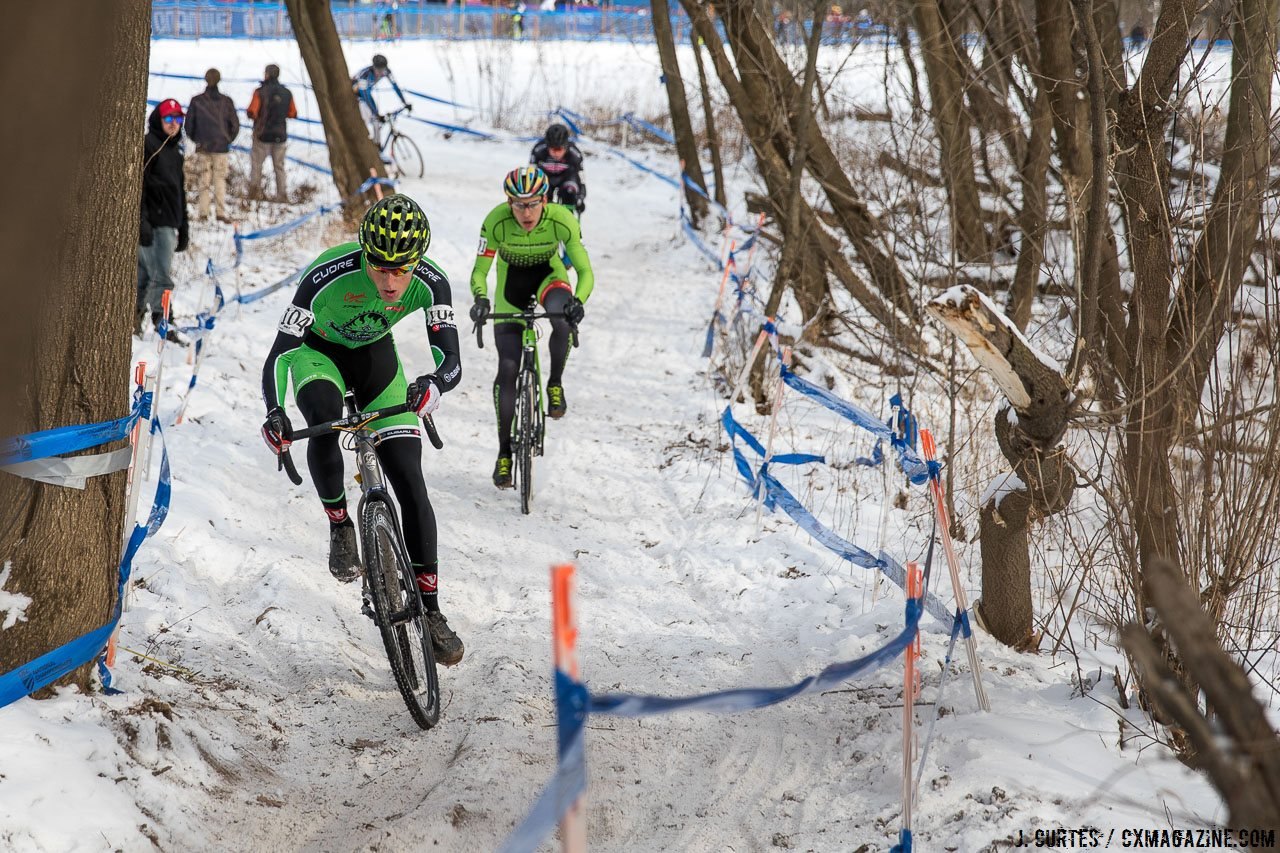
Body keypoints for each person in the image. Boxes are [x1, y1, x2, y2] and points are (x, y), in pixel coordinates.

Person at [258, 193, 465, 666]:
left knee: (411, 483)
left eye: (402, 270)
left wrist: (434, 385)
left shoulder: (431, 283)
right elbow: (279, 354)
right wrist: (274, 411)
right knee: (325, 422)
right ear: (364, 254)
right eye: (381, 268)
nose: (392, 282)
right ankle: (340, 524)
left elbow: (451, 361)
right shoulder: (324, 276)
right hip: (317, 355)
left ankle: (431, 611)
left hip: (375, 359)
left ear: (418, 261)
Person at [469, 166, 594, 488]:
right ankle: (504, 453)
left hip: (548, 277)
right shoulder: (495, 221)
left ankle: (554, 383)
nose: (526, 212)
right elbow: (480, 271)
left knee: (561, 318)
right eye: (518, 204)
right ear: (508, 202)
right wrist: (481, 299)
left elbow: (584, 269)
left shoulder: (562, 219)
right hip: (511, 288)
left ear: (545, 199)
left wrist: (577, 300)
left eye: (533, 203)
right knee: (508, 369)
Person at [138, 98, 190, 343]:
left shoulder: (175, 152)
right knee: (159, 275)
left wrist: (184, 227)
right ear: (159, 121)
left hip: (170, 223)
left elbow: (180, 192)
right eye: (169, 119)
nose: (174, 124)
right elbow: (141, 187)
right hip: (153, 224)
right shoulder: (150, 145)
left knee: (148, 275)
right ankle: (162, 319)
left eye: (178, 119)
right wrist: (142, 221)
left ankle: (136, 317)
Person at [184, 68, 240, 223]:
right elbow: (235, 125)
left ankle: (203, 213)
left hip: (203, 147)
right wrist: (227, 139)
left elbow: (188, 125)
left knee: (204, 180)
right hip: (221, 147)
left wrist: (197, 140)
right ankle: (220, 213)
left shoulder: (197, 101)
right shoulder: (226, 101)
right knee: (219, 179)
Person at [246, 64, 298, 201]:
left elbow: (252, 111)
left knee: (257, 165)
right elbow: (293, 113)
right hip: (280, 135)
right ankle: (281, 194)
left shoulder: (259, 92)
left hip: (262, 135)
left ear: (267, 74)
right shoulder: (287, 93)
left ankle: (254, 193)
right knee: (279, 167)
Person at [351, 54, 411, 140]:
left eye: (383, 69)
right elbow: (365, 95)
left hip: (366, 92)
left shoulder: (386, 71)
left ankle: (377, 143)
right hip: (357, 93)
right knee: (367, 115)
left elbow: (395, 86)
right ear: (373, 67)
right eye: (378, 70)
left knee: (376, 119)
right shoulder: (365, 75)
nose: (380, 72)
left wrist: (404, 102)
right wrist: (375, 113)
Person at [529, 123, 586, 213]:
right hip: (546, 177)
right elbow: (531, 173)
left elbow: (581, 178)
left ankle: (567, 219)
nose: (556, 153)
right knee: (542, 195)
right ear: (547, 146)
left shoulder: (575, 153)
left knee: (569, 194)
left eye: (559, 149)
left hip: (566, 177)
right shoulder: (538, 150)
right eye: (553, 149)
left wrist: (580, 198)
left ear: (566, 147)